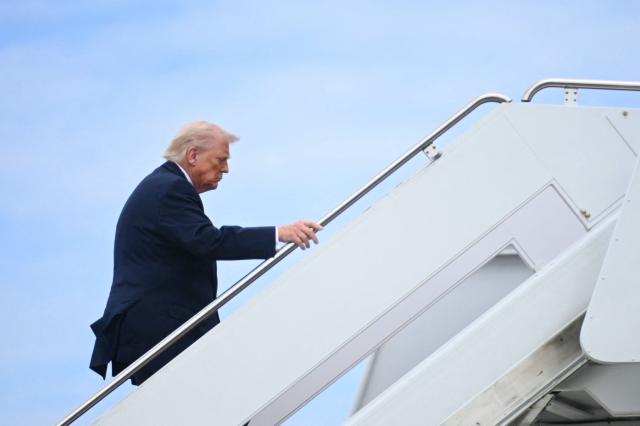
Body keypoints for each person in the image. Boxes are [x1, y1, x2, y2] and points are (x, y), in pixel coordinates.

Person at [89, 121, 322, 385]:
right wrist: (278, 233)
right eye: (221, 159)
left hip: (162, 328)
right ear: (193, 156)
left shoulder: (163, 185)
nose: (226, 168)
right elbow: (207, 241)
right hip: (164, 329)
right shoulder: (169, 189)